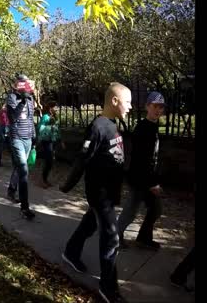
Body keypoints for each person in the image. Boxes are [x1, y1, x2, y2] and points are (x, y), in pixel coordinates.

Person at [59, 82, 132, 303]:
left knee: (90, 223)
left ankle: (70, 252)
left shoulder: (113, 123)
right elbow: (82, 159)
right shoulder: (98, 127)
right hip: (100, 193)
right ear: (114, 101)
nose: (130, 106)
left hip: (109, 191)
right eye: (127, 101)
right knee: (111, 238)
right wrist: (67, 185)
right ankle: (107, 288)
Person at [117, 91, 166, 249]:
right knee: (132, 210)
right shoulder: (143, 128)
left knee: (155, 208)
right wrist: (152, 183)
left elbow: (153, 156)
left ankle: (143, 237)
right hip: (140, 179)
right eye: (155, 106)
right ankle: (116, 237)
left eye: (161, 107)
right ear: (147, 106)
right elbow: (142, 159)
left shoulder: (152, 126)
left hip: (146, 178)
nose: (158, 110)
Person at [6, 74, 37, 220]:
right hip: (17, 137)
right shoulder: (12, 97)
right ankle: (25, 208)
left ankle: (11, 190)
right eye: (21, 83)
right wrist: (22, 101)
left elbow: (31, 119)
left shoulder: (31, 98)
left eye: (26, 83)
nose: (24, 86)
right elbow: (13, 117)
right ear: (16, 85)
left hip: (28, 138)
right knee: (23, 171)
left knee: (20, 167)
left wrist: (34, 136)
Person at [37, 101, 65, 188]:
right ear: (50, 108)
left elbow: (57, 129)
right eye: (55, 107)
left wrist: (61, 141)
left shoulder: (55, 117)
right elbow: (40, 128)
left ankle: (45, 179)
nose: (56, 109)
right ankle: (42, 180)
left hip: (53, 141)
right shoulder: (45, 117)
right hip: (46, 141)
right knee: (48, 160)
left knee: (50, 161)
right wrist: (49, 126)